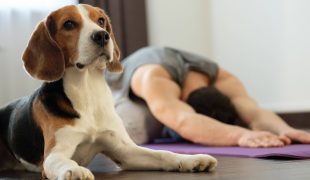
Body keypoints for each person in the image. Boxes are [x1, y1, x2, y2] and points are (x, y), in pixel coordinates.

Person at [106, 46, 310, 147]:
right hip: (117, 88)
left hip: (167, 84)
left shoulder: (222, 79)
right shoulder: (155, 78)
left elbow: (254, 113)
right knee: (139, 130)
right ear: (184, 103)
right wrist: (240, 135)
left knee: (169, 117)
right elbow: (184, 121)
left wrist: (287, 129)